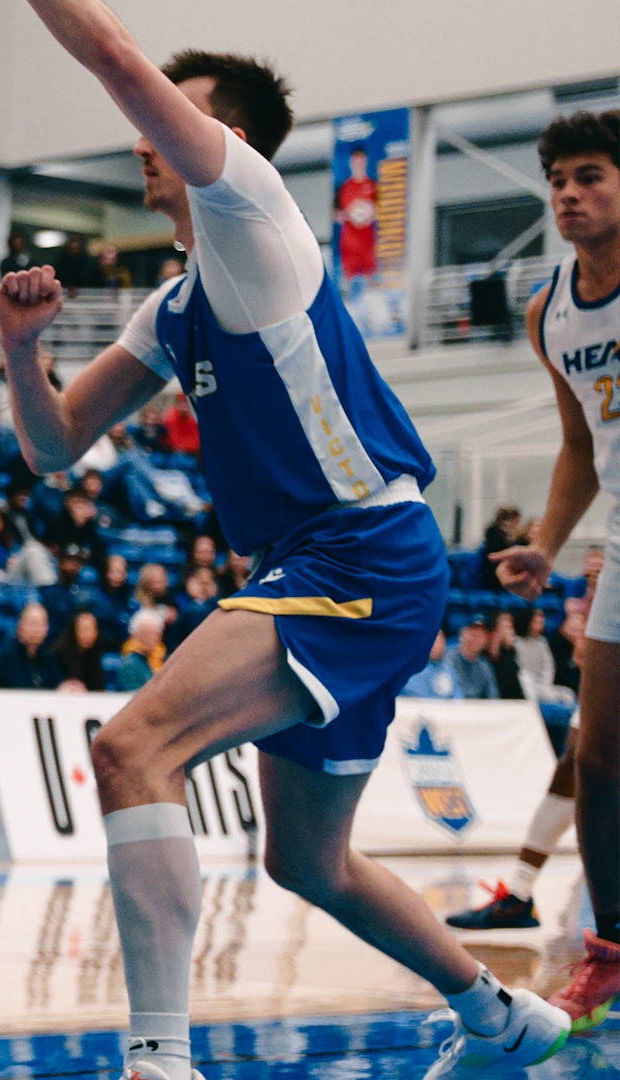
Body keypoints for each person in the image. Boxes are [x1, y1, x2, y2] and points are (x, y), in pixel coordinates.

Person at [0, 5, 567, 1075]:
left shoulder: (253, 211)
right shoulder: (174, 306)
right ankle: (500, 1015)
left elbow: (114, 56)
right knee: (311, 862)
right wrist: (21, 352)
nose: (143, 144)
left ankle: (160, 1056)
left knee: (132, 751)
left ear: (230, 146)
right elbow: (54, 447)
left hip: (361, 550)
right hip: (324, 566)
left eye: (170, 125)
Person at [483, 108, 620, 1032]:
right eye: (559, 181)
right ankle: (608, 956)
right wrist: (546, 540)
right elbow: (578, 444)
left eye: (590, 178)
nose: (569, 195)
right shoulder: (551, 310)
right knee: (597, 758)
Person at [0, 602, 62, 690]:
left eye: (42, 624)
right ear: (20, 626)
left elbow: (56, 686)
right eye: (32, 623)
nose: (37, 629)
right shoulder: (8, 657)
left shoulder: (48, 657)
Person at [335, 146, 378, 283]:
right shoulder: (343, 188)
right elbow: (335, 214)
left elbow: (383, 212)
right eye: (355, 162)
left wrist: (370, 213)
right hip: (349, 243)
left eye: (361, 162)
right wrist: (349, 215)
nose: (358, 165)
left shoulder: (373, 186)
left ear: (365, 162)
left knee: (370, 281)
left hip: (368, 242)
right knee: (348, 283)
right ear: (351, 163)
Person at [114, 607, 167, 691]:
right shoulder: (129, 664)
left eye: (154, 634)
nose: (150, 638)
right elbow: (131, 693)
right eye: (145, 634)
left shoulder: (165, 658)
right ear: (135, 635)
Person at [56, 609, 109, 692]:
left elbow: (98, 686)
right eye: (84, 629)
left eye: (92, 629)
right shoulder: (60, 652)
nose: (88, 634)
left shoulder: (95, 652)